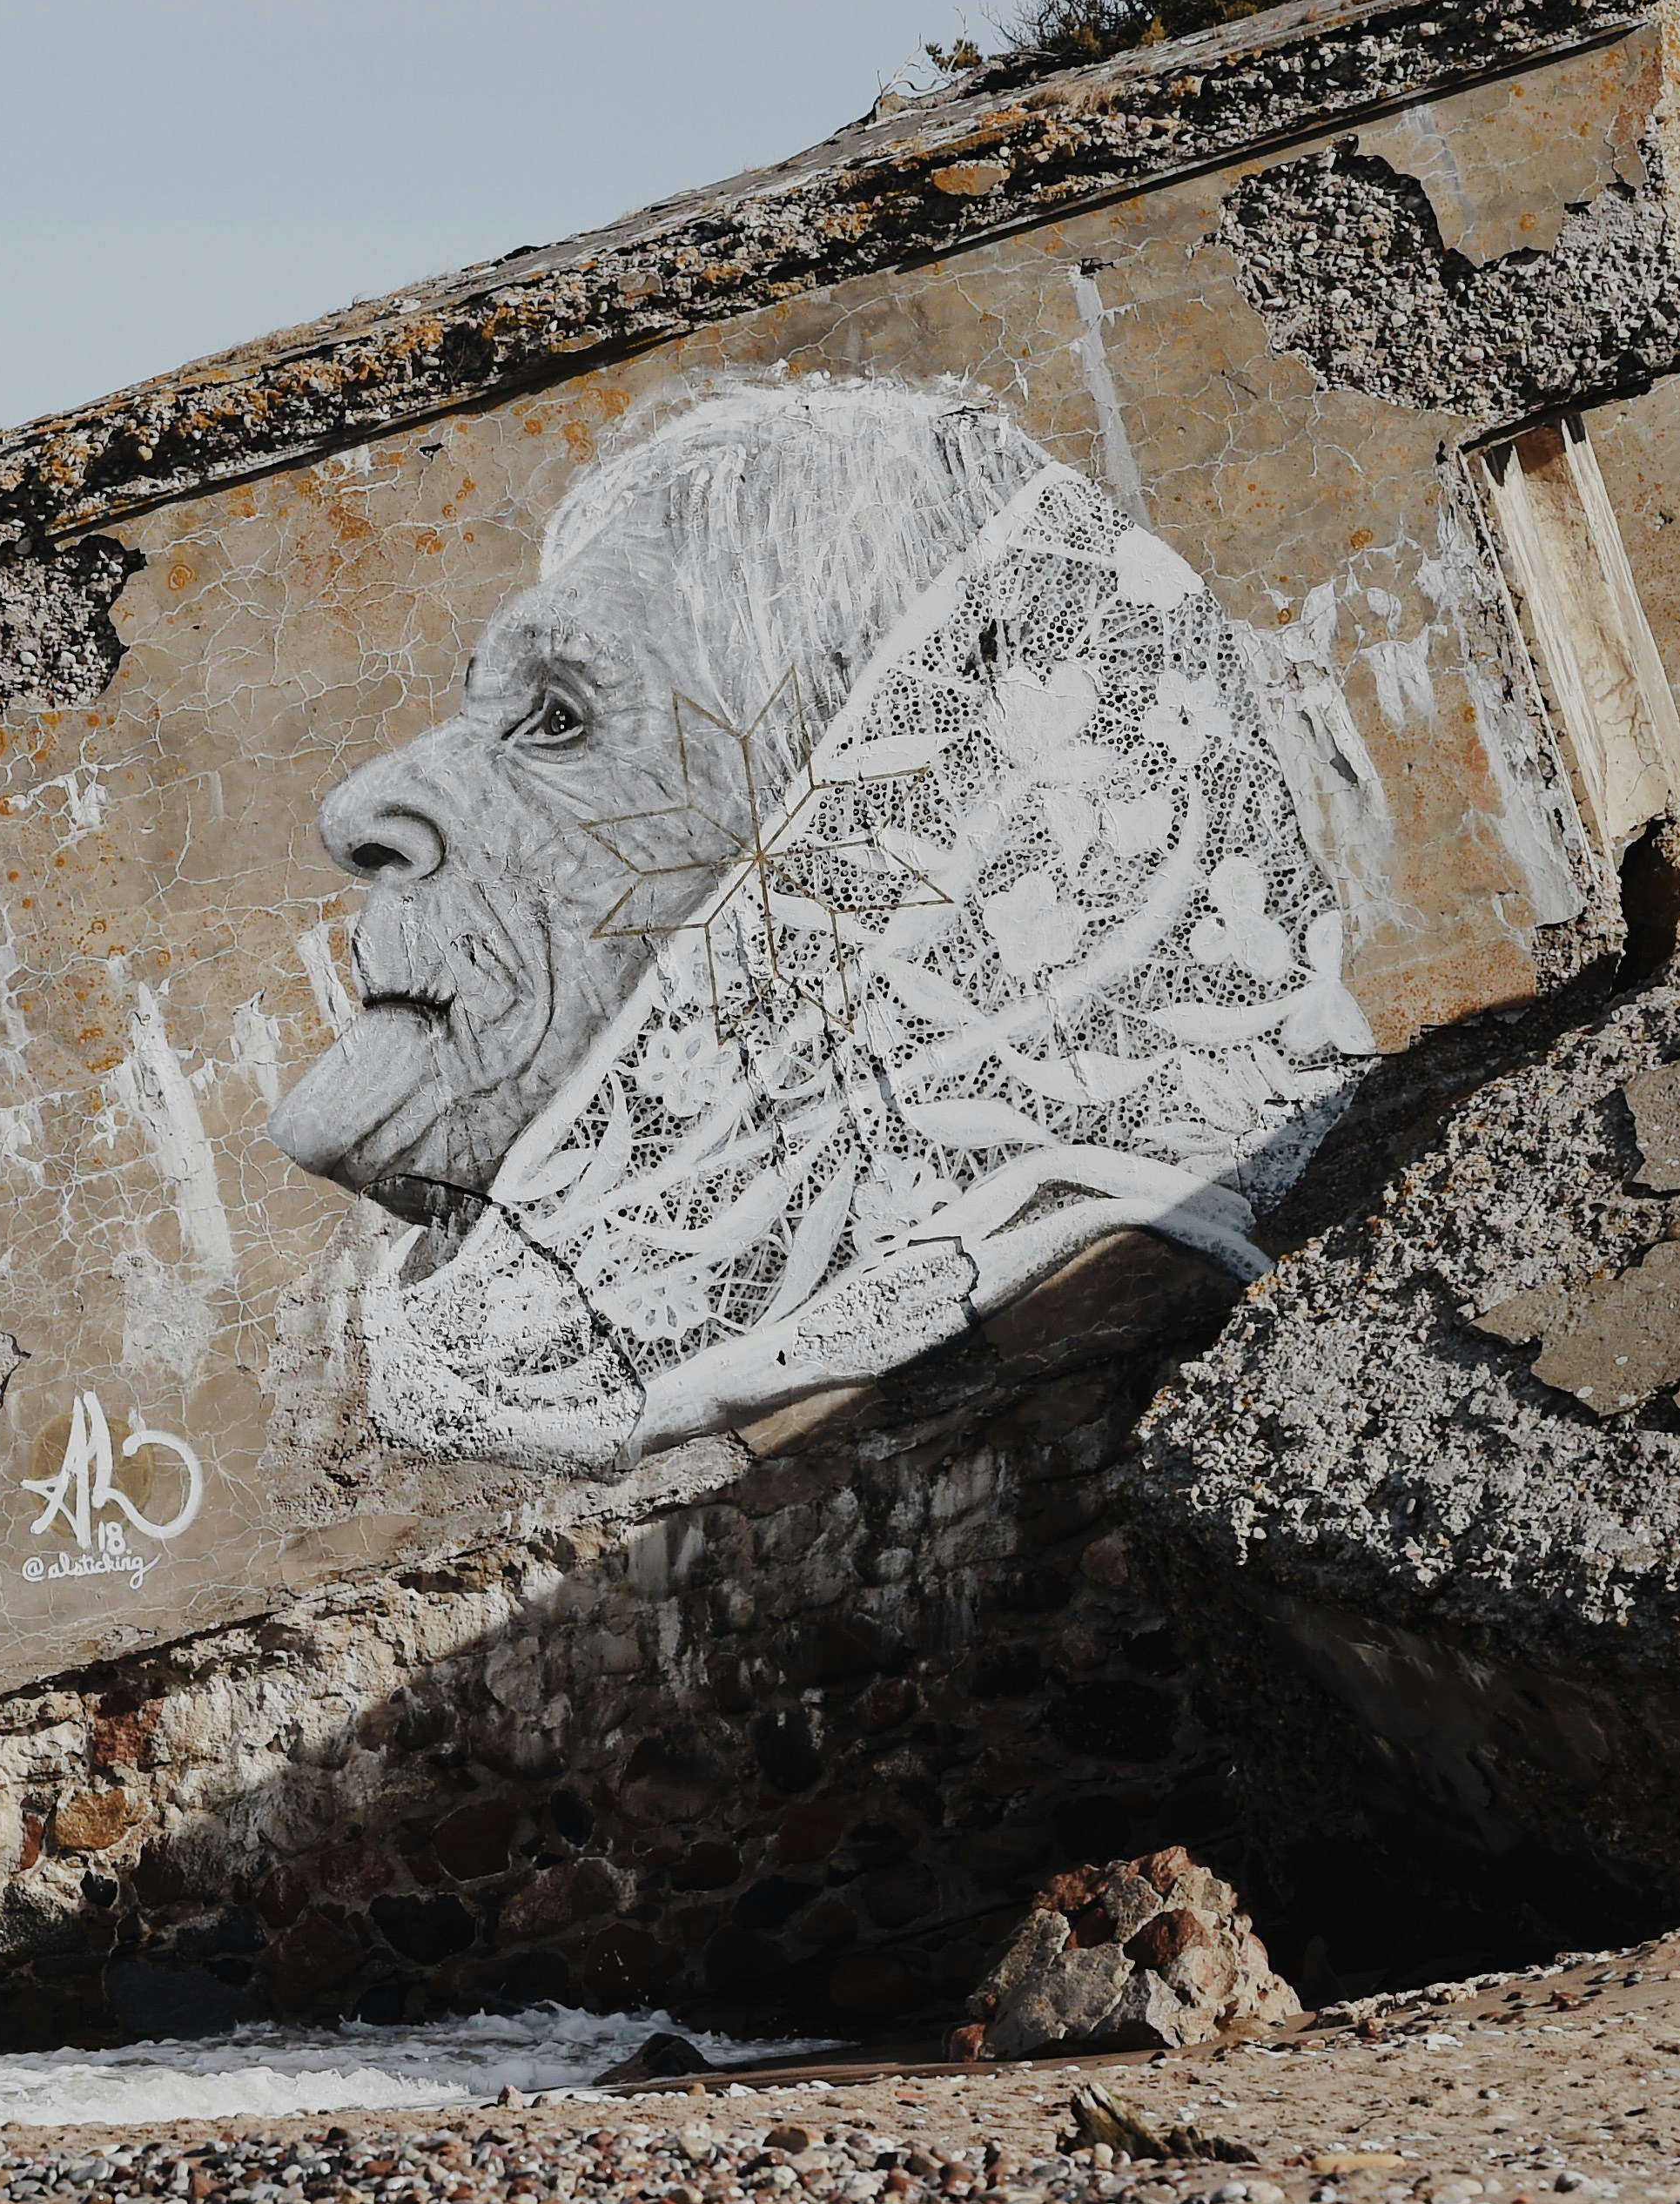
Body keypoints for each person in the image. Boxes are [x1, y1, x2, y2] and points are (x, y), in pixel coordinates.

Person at [269, 372, 1377, 1475]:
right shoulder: (818, 1383)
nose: (357, 810)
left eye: (557, 717)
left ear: (888, 841)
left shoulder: (1145, 1369)